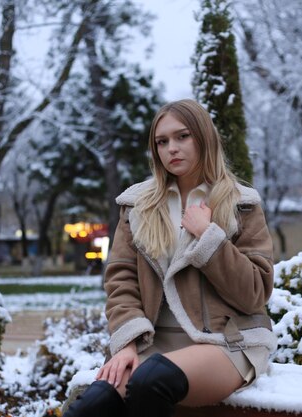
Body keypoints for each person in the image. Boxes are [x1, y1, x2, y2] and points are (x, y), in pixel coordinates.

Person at [63, 99, 276, 417]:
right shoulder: (138, 207)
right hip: (155, 344)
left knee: (150, 383)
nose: (171, 149)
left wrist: (209, 238)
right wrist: (127, 343)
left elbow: (255, 293)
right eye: (162, 142)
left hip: (226, 341)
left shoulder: (241, 204)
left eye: (182, 136)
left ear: (203, 137)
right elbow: (122, 280)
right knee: (90, 407)